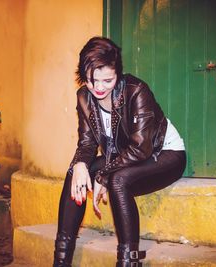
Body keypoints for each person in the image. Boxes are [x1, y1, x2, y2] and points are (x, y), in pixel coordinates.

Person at [53, 36, 186, 267]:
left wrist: (103, 174)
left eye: (107, 80)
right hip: (124, 157)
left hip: (163, 155)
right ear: (84, 76)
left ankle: (128, 261)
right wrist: (81, 165)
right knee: (75, 173)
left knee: (117, 180)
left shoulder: (136, 90)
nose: (99, 88)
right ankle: (61, 260)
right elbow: (86, 143)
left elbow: (141, 148)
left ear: (118, 74)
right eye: (92, 80)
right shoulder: (84, 97)